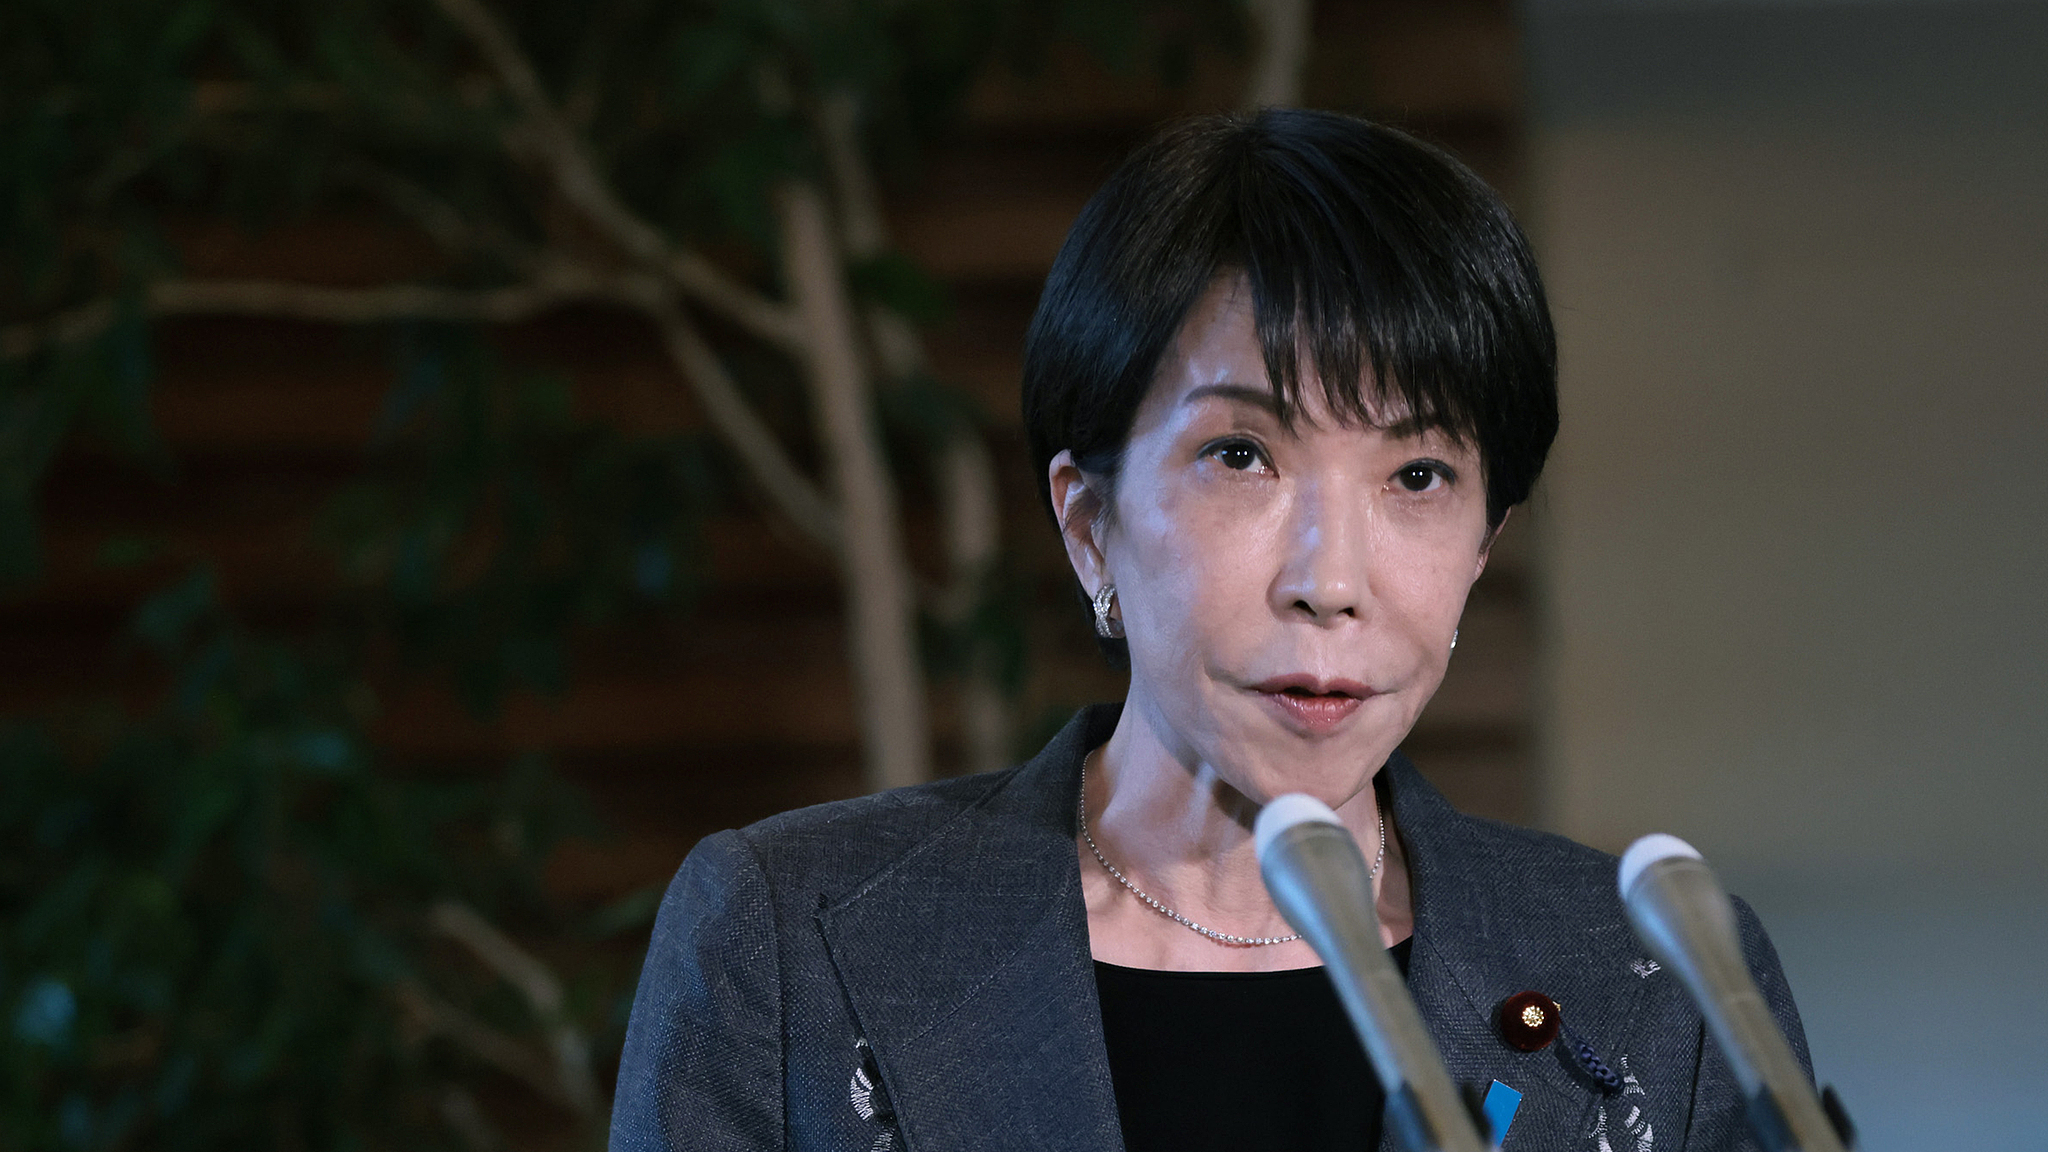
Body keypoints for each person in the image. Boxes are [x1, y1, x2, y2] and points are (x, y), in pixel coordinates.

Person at [610, 108, 1809, 1152]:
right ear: (1089, 525)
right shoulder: (784, 937)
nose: (1329, 581)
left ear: (1483, 545)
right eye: (1241, 455)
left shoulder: (1655, 976)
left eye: (1418, 475)